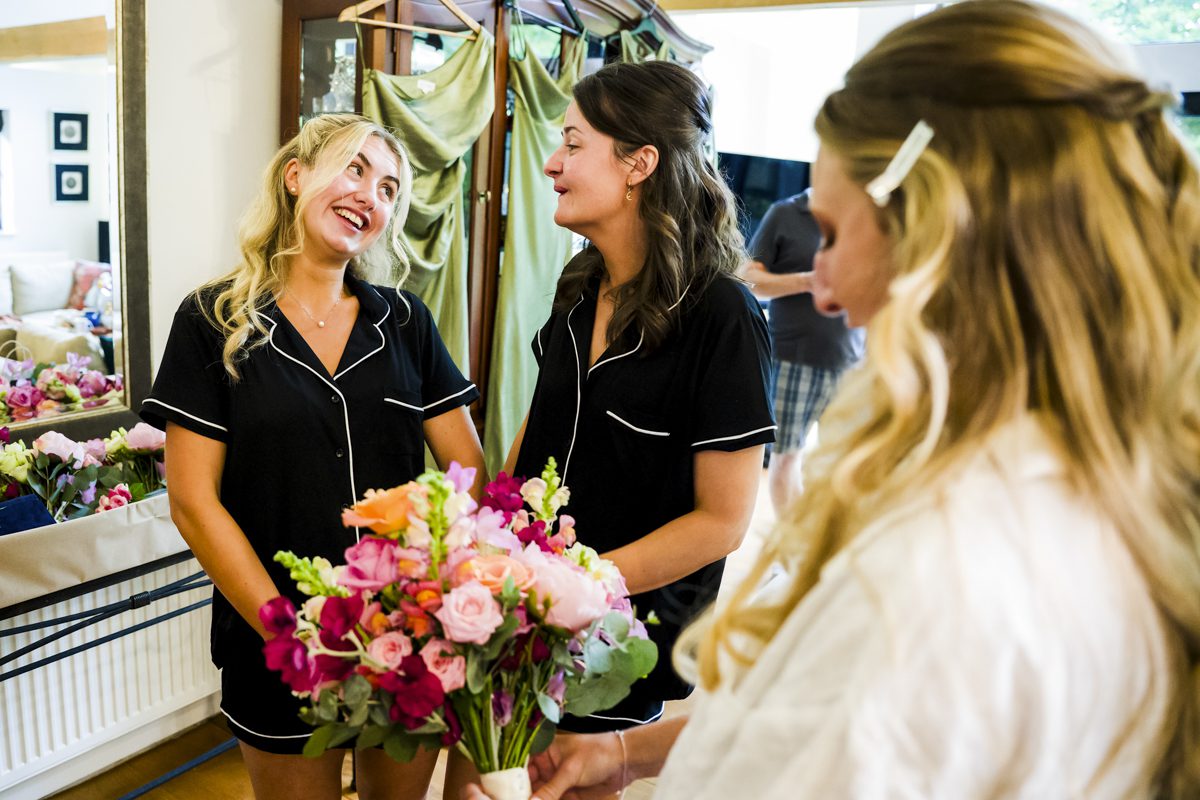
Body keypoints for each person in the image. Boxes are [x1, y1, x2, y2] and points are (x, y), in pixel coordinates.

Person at [464, 1, 1200, 797]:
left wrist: (585, 602)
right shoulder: (1026, 500)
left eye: (837, 234)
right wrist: (625, 755)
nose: (822, 287)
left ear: (937, 237)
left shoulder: (950, 563)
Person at [141, 114, 486, 800]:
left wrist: (432, 542)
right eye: (354, 169)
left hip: (407, 633)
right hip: (276, 639)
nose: (370, 194)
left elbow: (467, 474)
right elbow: (192, 500)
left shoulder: (407, 322)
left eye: (389, 188)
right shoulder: (212, 320)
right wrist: (287, 629)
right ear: (296, 176)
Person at [505, 57, 775, 745]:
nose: (550, 164)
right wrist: (490, 552)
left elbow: (722, 521)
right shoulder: (577, 285)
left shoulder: (723, 316)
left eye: (572, 143)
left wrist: (570, 584)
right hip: (512, 620)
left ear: (639, 163)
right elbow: (539, 431)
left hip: (617, 642)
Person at [740, 189, 864, 512]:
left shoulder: (862, 214)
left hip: (853, 362)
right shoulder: (785, 214)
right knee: (786, 457)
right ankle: (793, 548)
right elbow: (749, 278)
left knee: (845, 462)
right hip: (793, 359)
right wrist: (808, 281)